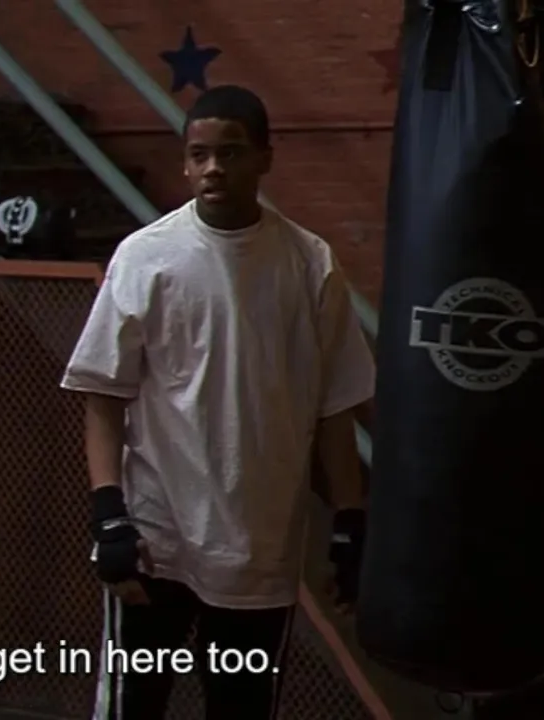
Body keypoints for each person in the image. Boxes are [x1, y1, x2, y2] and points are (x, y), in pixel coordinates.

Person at [59, 85, 376, 720]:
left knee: (241, 707)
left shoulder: (309, 264)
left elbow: (335, 408)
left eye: (230, 153)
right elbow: (103, 393)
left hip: (259, 544)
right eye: (198, 154)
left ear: (264, 158)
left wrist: (350, 521)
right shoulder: (146, 257)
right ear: (184, 163)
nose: (212, 168)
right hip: (158, 537)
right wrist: (108, 513)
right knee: (134, 705)